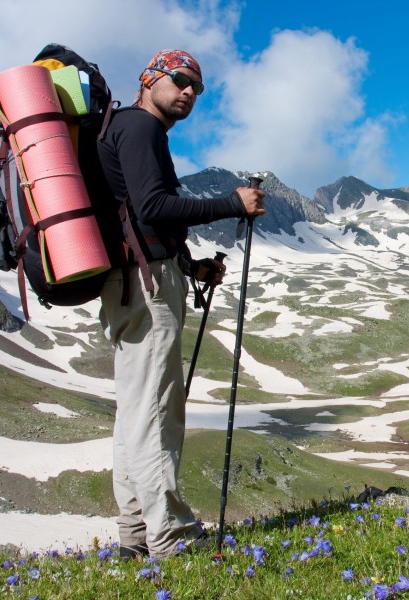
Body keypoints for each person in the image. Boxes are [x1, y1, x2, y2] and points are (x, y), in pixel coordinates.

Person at [96, 49, 265, 559]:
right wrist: (231, 204)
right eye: (180, 80)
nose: (190, 91)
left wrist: (190, 267)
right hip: (146, 288)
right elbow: (153, 205)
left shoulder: (125, 129)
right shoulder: (141, 128)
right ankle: (170, 536)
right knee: (155, 411)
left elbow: (143, 216)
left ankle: (135, 536)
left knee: (136, 410)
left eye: (197, 87)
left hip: (132, 279)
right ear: (149, 79)